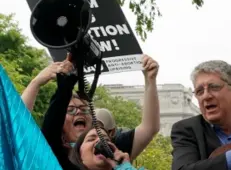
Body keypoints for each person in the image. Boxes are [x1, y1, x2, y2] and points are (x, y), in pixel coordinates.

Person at [24, 55, 161, 160]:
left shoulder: (110, 148)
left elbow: (149, 128)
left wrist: (150, 80)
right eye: (71, 110)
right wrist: (35, 83)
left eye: (84, 109)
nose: (79, 113)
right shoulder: (50, 149)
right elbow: (16, 127)